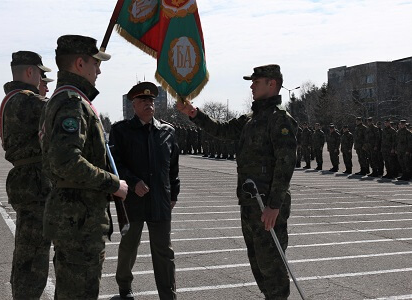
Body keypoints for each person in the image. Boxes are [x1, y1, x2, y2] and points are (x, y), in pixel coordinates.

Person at [177, 64, 297, 299]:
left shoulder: (279, 120)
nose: (251, 86)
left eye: (256, 81)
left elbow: (286, 165)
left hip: (267, 207)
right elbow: (221, 130)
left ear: (271, 84)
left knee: (272, 266)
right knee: (258, 263)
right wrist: (194, 113)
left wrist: (274, 205)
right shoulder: (252, 118)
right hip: (250, 205)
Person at [39, 34, 128, 299]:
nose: (99, 70)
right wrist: (113, 184)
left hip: (75, 219)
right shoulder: (72, 103)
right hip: (79, 222)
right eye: (95, 63)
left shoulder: (65, 99)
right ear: (80, 63)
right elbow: (67, 161)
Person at [110, 81, 180, 300]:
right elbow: (114, 164)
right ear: (133, 104)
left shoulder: (168, 131)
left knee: (164, 251)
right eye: (143, 100)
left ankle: (168, 294)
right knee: (129, 245)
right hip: (133, 200)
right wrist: (132, 181)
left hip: (160, 200)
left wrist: (173, 195)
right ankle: (124, 285)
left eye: (151, 100)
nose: (148, 104)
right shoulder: (121, 131)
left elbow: (173, 167)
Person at [0, 50, 52, 299]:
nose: (43, 81)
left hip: (28, 182)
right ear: (30, 72)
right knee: (32, 259)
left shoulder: (12, 99)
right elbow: (61, 107)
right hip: (34, 185)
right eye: (41, 74)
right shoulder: (25, 100)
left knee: (28, 254)